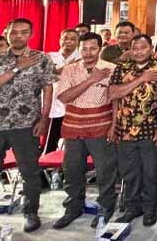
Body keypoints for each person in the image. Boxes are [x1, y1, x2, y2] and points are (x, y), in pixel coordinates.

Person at [0, 18, 56, 241]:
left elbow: (48, 89)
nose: (18, 36)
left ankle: (31, 212)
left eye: (24, 32)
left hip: (26, 124)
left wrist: (44, 118)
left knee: (30, 173)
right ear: (6, 33)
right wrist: (16, 68)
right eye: (14, 32)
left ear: (31, 34)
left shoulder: (42, 58)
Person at [51, 32, 118, 229]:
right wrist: (90, 80)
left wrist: (114, 125)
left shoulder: (111, 69)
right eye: (84, 49)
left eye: (93, 48)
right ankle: (73, 208)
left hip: (101, 126)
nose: (88, 53)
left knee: (105, 171)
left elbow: (116, 99)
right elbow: (64, 97)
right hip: (73, 127)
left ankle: (106, 208)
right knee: (72, 170)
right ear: (79, 49)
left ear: (100, 48)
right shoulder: (69, 70)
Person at [107, 35, 157, 227]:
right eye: (134, 48)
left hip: (152, 130)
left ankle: (149, 208)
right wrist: (141, 79)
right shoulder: (122, 67)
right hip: (125, 130)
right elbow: (113, 94)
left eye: (143, 48)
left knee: (151, 173)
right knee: (130, 173)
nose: (138, 51)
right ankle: (132, 207)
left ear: (151, 48)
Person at [45, 29, 81, 154]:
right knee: (51, 140)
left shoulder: (83, 58)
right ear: (60, 40)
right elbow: (47, 76)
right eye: (65, 38)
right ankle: (47, 163)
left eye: (73, 39)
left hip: (74, 104)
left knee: (72, 143)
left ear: (78, 41)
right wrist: (67, 67)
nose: (68, 41)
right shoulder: (49, 56)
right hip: (54, 103)